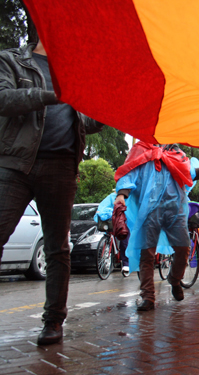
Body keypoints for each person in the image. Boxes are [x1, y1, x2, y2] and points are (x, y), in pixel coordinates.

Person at [0, 38, 104, 345]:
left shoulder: (73, 73)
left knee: (58, 248)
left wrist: (106, 111)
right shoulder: (11, 60)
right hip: (15, 163)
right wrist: (53, 95)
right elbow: (4, 99)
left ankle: (54, 321)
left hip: (61, 167)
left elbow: (85, 120)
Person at [115, 142, 199, 311]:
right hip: (150, 210)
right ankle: (147, 296)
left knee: (184, 249)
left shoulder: (176, 151)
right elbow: (130, 172)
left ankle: (174, 279)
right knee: (147, 253)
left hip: (175, 209)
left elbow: (187, 171)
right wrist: (121, 194)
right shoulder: (142, 149)